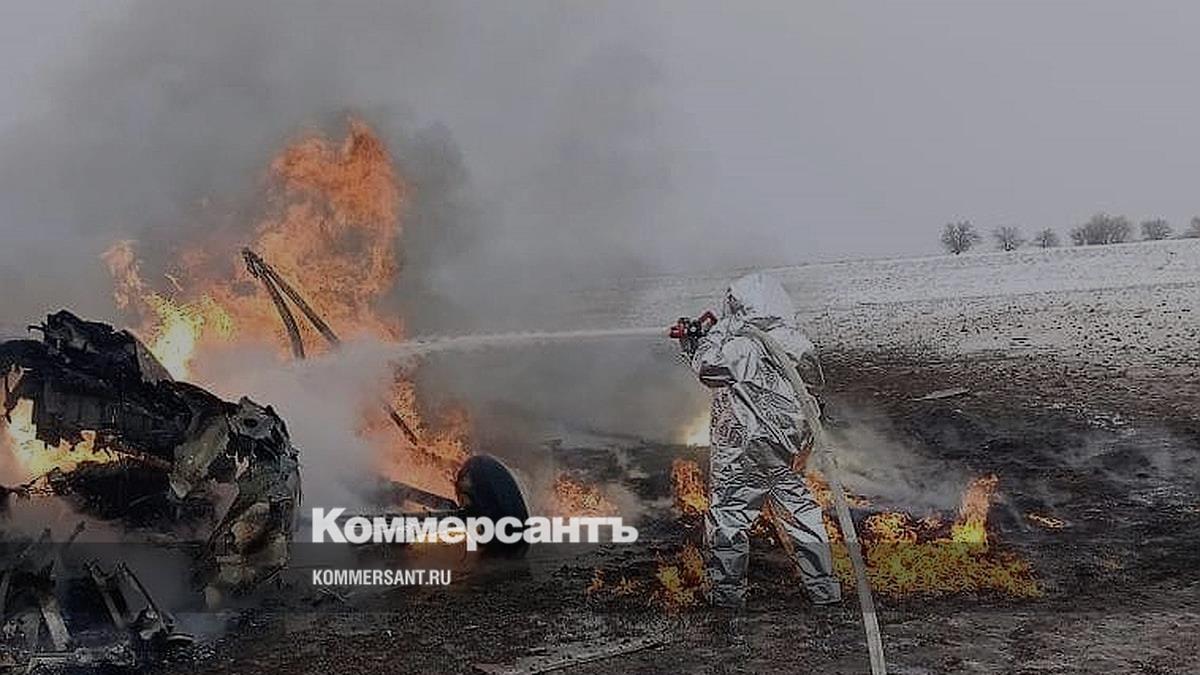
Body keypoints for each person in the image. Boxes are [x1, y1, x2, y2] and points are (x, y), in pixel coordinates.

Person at [678, 272, 841, 608]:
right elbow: (813, 386)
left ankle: (727, 595)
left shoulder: (742, 346)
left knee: (729, 516)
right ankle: (824, 589)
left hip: (744, 449)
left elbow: (708, 369)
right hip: (789, 448)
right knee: (800, 513)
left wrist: (706, 338)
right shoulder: (797, 342)